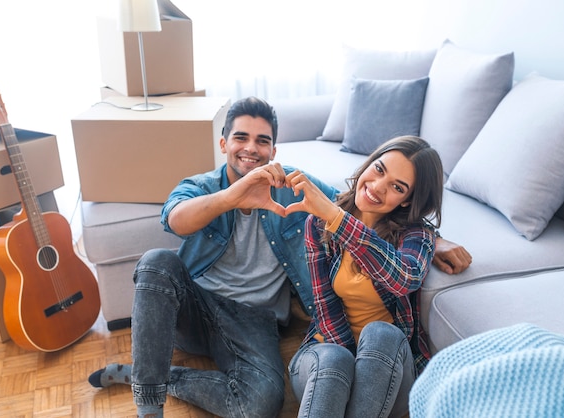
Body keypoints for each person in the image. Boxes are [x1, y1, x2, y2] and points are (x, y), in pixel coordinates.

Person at [87, 97, 471, 418]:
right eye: (241, 137)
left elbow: (350, 202)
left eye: (262, 141)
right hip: (198, 308)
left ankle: (157, 375)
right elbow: (175, 220)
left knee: (264, 402)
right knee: (156, 262)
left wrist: (432, 239)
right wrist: (233, 197)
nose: (251, 148)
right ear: (223, 143)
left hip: (256, 319)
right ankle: (148, 399)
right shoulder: (202, 186)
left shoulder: (291, 185)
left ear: (274, 149)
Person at [286, 135, 444, 418]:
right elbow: (324, 306)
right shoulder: (319, 223)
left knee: (381, 333)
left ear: (407, 201)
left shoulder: (417, 235)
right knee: (335, 359)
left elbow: (405, 277)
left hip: (390, 373)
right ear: (370, 163)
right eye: (380, 169)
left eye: (397, 187)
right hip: (326, 367)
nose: (377, 187)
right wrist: (354, 380)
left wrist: (338, 219)